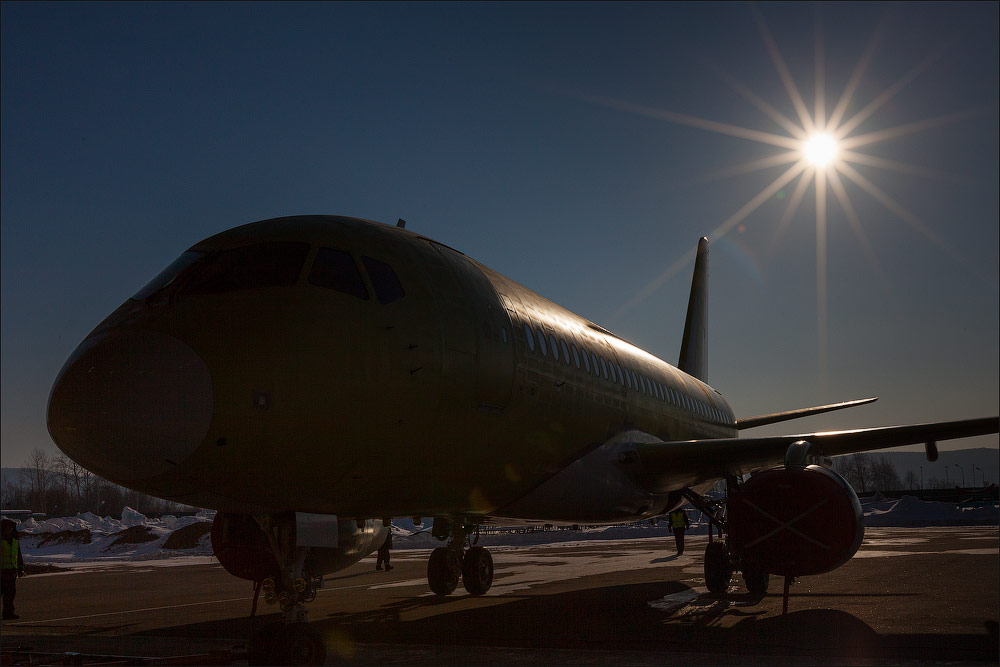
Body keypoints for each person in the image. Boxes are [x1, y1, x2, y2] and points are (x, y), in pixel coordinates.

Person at [2, 518, 26, 620]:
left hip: (11, 572)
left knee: (10, 594)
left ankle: (8, 613)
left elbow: (18, 555)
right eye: (7, 528)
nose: (10, 530)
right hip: (2, 571)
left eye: (11, 528)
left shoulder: (15, 541)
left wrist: (20, 568)